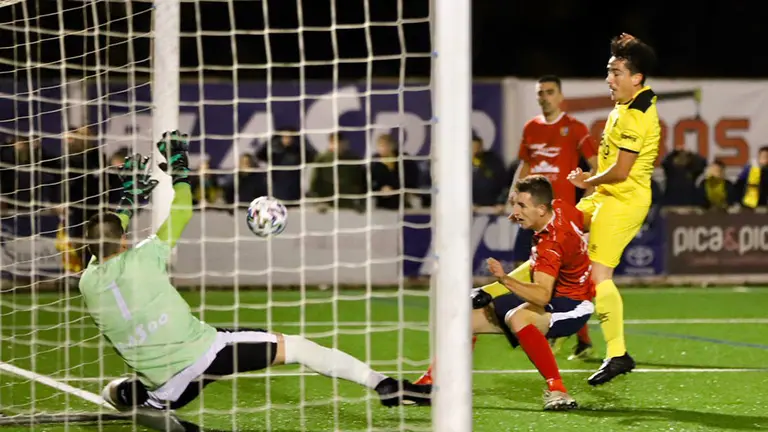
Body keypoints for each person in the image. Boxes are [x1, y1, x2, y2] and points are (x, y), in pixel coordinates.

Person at [80, 131, 431, 431]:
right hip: (207, 353)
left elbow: (105, 239)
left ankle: (151, 404)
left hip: (169, 386)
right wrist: (180, 173)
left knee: (114, 391)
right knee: (297, 347)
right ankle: (384, 385)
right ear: (123, 240)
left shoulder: (87, 281)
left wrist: (128, 199)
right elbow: (182, 210)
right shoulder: (145, 257)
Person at [418, 175, 595, 410]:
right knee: (462, 317)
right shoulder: (560, 207)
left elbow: (542, 295)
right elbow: (586, 221)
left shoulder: (551, 245)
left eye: (522, 205)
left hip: (573, 305)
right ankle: (432, 384)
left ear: (542, 209)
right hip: (554, 296)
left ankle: (559, 391)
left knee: (519, 317)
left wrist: (503, 279)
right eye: (515, 204)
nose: (516, 211)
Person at [566, 33, 660, 385]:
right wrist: (627, 49)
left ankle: (617, 354)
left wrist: (588, 181)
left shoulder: (636, 114)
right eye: (609, 71)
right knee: (559, 232)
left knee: (598, 276)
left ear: (636, 78)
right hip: (605, 194)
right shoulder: (627, 102)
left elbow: (622, 172)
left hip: (622, 200)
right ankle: (504, 292)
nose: (610, 79)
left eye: (617, 72)